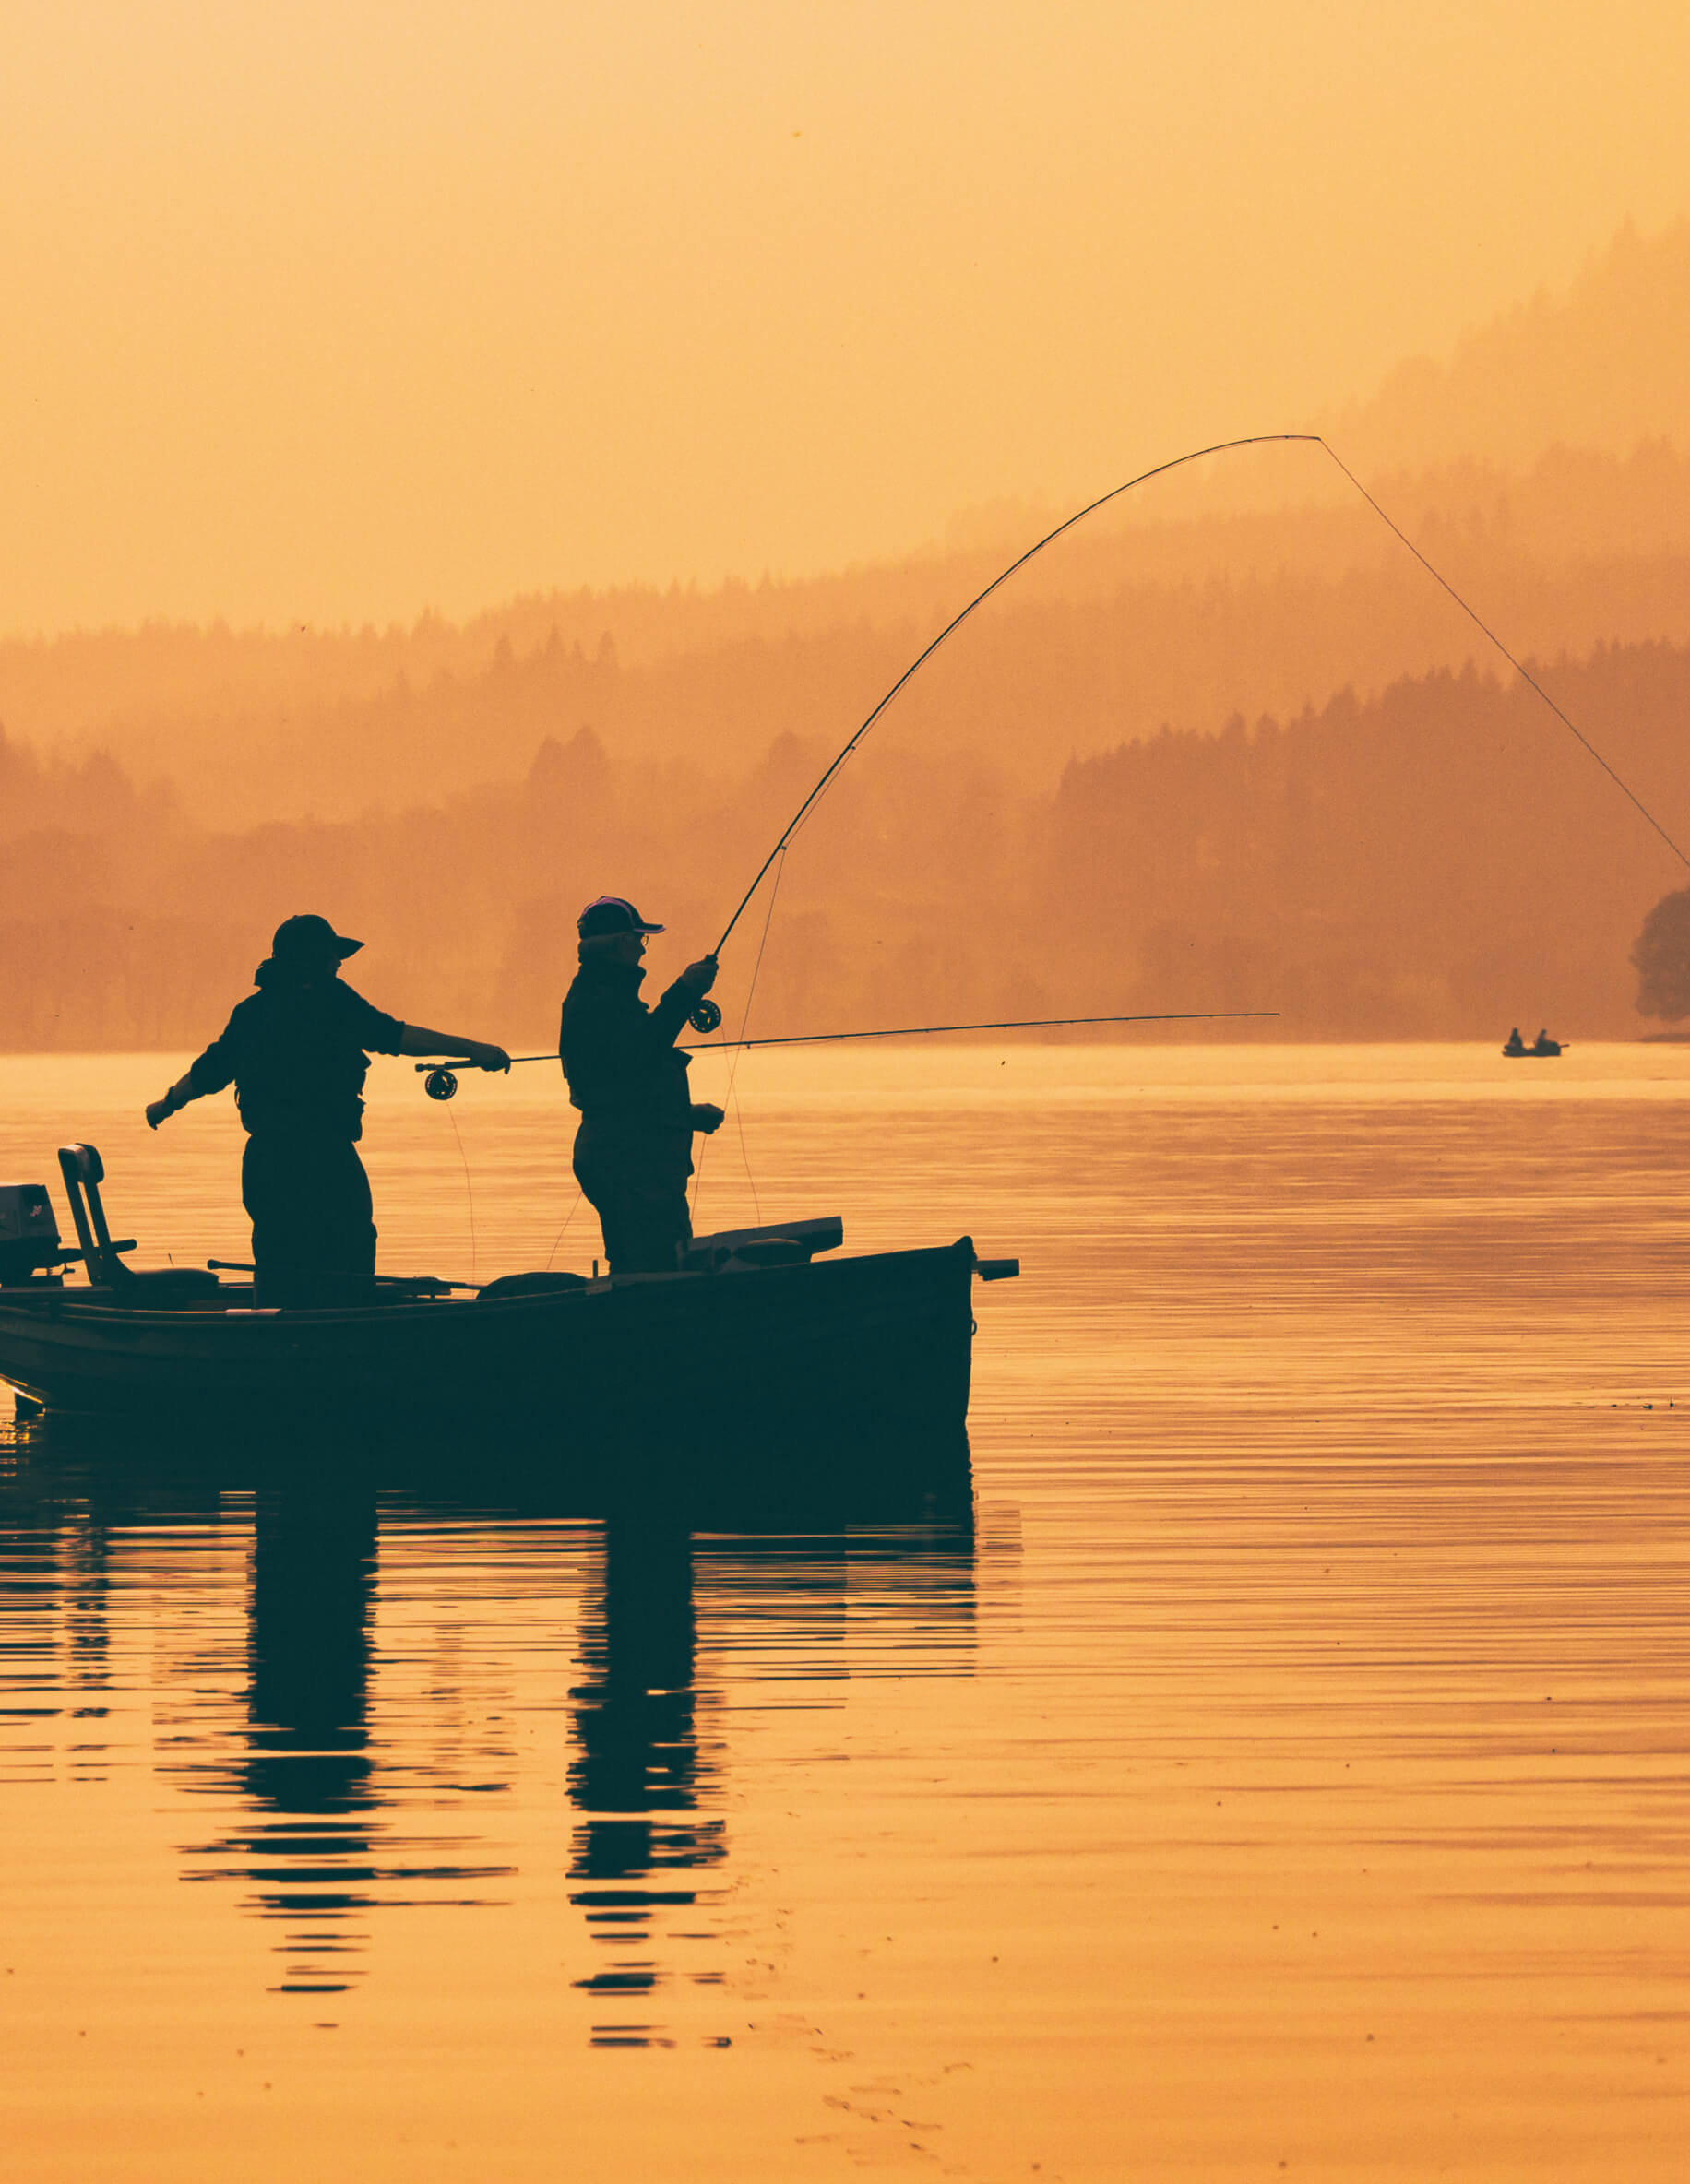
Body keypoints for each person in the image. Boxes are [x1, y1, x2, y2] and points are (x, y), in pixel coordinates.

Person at [145, 913, 510, 1306]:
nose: (339, 964)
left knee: (277, 1253)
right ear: (314, 960)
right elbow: (396, 1036)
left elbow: (208, 1072)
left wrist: (166, 1104)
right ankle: (347, 1330)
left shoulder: (251, 1012)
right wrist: (473, 1049)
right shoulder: (335, 1003)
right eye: (334, 956)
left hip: (268, 1160)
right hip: (327, 1156)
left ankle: (270, 1332)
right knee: (350, 1247)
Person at [559, 896, 725, 1275]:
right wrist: (685, 991)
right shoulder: (598, 999)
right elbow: (642, 1052)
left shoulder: (602, 994)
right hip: (628, 1161)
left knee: (648, 1267)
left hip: (625, 1152)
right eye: (639, 939)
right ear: (622, 943)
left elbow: (623, 1085)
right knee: (655, 1270)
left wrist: (685, 1117)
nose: (642, 949)